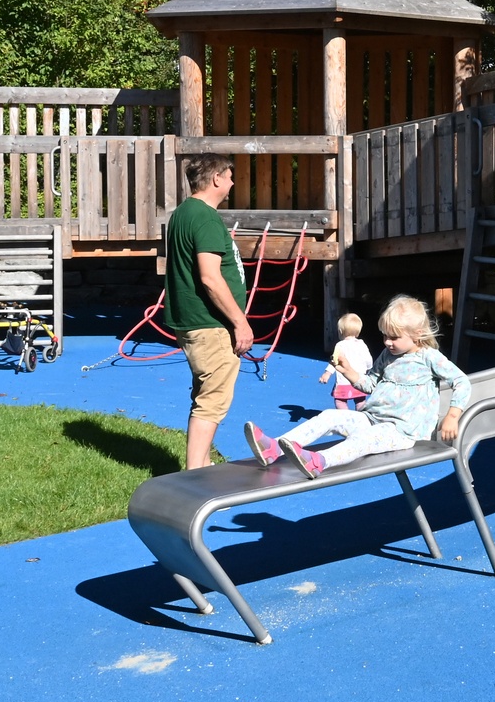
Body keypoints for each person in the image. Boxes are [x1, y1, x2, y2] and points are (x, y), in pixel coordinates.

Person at [243, 294, 469, 479]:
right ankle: (273, 448)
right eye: (384, 336)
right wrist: (349, 371)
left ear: (417, 334)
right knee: (330, 416)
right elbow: (370, 384)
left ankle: (320, 461)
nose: (388, 342)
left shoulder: (428, 357)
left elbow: (462, 382)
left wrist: (452, 415)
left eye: (394, 337)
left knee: (363, 441)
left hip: (402, 431)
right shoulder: (387, 356)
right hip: (372, 418)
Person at [164, 153, 255, 470]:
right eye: (229, 177)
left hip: (194, 322)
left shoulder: (183, 214)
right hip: (211, 325)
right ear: (216, 178)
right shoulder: (204, 217)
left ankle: (201, 464)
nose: (231, 184)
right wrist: (240, 322)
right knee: (212, 400)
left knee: (206, 394)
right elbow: (210, 277)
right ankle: (195, 476)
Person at [319, 311, 373, 410]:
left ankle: (344, 414)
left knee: (340, 400)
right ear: (358, 331)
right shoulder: (362, 344)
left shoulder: (340, 345)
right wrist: (368, 370)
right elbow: (368, 360)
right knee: (360, 400)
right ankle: (360, 415)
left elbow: (335, 361)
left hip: (344, 381)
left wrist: (327, 373)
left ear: (340, 331)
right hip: (359, 379)